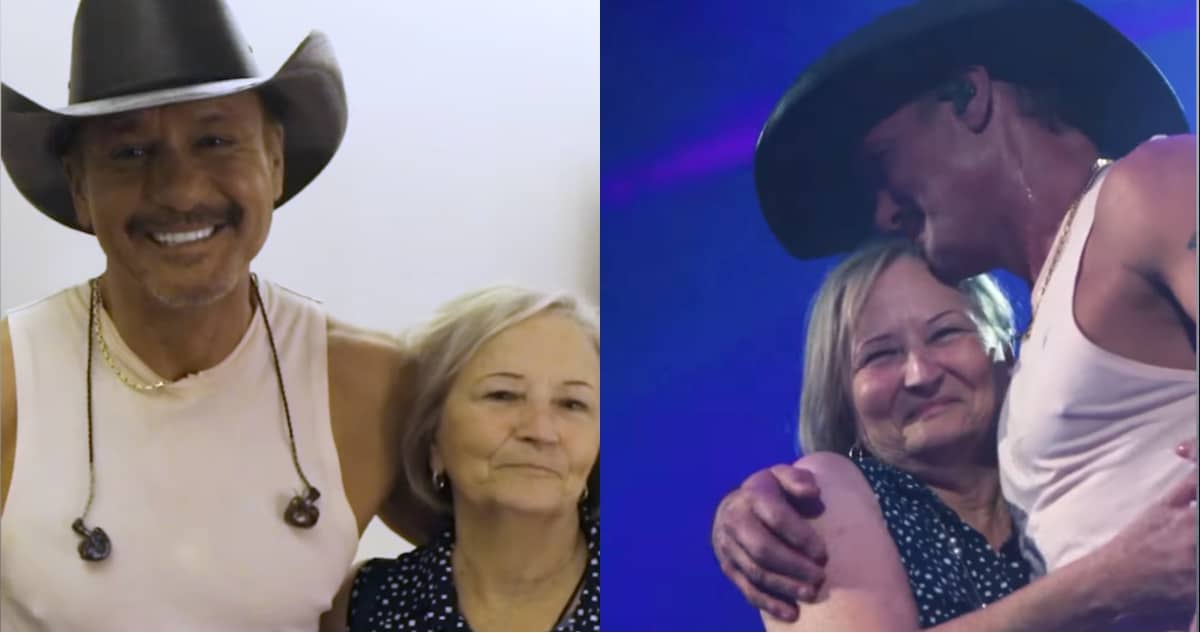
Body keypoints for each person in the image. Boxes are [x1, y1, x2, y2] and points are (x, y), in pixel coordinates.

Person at [710, 0, 1197, 626]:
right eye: (881, 354)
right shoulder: (1037, 344)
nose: (882, 214)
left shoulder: (1149, 186)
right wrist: (743, 509)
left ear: (969, 96)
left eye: (880, 163)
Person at [0, 1, 438, 629]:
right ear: (79, 188)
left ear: (275, 160)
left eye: (214, 140)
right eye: (130, 153)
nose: (180, 190)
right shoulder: (14, 381)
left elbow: (516, 562)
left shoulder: (373, 387)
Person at [754, 238, 1196, 630]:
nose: (919, 375)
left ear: (1004, 351)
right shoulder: (819, 493)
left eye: (946, 333)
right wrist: (1102, 584)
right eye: (880, 355)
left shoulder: (1066, 481)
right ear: (841, 397)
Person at [332, 286, 600, 632]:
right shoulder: (366, 603)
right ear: (432, 437)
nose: (541, 430)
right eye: (503, 395)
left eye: (572, 404)